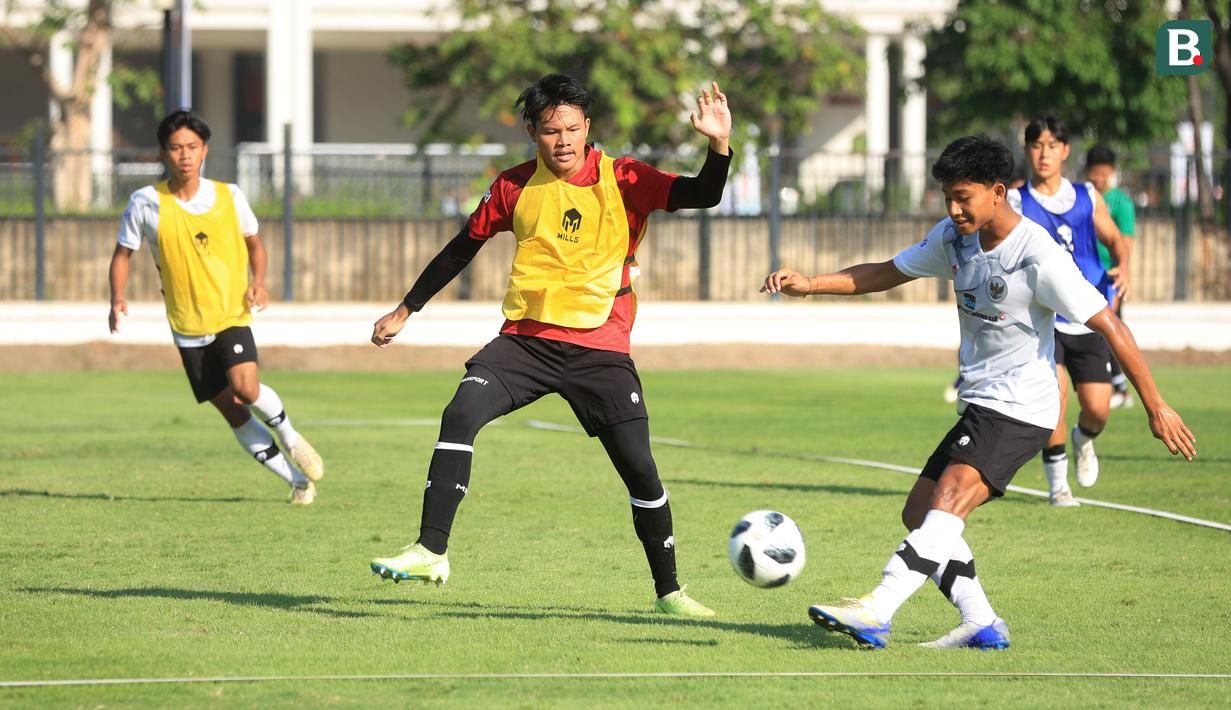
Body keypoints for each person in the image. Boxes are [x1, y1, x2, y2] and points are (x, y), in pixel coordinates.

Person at [762, 135, 1194, 650]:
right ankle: (981, 621)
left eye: (962, 197)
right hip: (981, 403)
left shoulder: (1038, 256)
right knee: (920, 512)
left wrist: (1156, 405)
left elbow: (1110, 325)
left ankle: (876, 609)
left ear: (996, 191)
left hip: (1022, 409)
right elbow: (888, 270)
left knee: (946, 501)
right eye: (947, 196)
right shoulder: (954, 237)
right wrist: (811, 284)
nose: (953, 208)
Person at [366, 74, 732, 617]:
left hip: (600, 348)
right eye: (549, 130)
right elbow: (459, 249)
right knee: (460, 412)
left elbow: (704, 194)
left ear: (588, 127)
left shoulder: (627, 177)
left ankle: (670, 593)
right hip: (525, 343)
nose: (562, 140)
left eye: (571, 128)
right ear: (532, 132)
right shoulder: (513, 186)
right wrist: (405, 309)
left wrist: (718, 144)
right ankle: (430, 551)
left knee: (640, 470)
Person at [108, 110, 324, 504]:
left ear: (204, 150)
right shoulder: (145, 203)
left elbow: (254, 243)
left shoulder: (229, 196)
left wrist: (259, 282)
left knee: (246, 387)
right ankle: (295, 481)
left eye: (192, 146)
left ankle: (291, 437)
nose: (184, 155)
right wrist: (116, 297)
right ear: (163, 153)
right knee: (232, 410)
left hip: (231, 314)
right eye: (176, 148)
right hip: (186, 325)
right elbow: (123, 254)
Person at [1011, 115, 1130, 506]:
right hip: (1042, 316)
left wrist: (1124, 268)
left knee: (1097, 409)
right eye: (1036, 145)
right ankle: (1057, 485)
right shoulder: (1015, 199)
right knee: (1056, 394)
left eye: (1052, 145)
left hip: (1087, 313)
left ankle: (1084, 439)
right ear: (1028, 150)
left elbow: (1115, 240)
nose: (1044, 154)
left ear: (1065, 151)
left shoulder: (1086, 196)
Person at [1085, 145, 1138, 409]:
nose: (1099, 179)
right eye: (1095, 173)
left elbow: (1125, 242)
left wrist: (1120, 276)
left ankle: (1121, 387)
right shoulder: (1082, 198)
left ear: (1113, 173)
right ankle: (1118, 386)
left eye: (1104, 174)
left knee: (1110, 331)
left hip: (1109, 277)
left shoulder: (1122, 203)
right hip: (1083, 275)